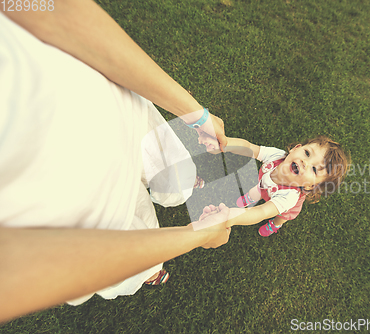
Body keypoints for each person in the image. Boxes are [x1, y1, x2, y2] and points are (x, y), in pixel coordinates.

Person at [0, 0, 230, 323]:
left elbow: (55, 11)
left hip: (118, 105)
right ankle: (149, 271)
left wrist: (195, 113)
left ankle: (185, 188)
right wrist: (200, 235)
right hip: (88, 219)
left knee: (176, 177)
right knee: (139, 236)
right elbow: (30, 271)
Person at [198, 134, 350, 235]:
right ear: (296, 149)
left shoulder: (289, 198)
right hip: (264, 186)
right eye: (307, 153)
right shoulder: (276, 156)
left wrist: (230, 216)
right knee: (258, 189)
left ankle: (275, 225)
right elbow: (250, 148)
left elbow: (261, 212)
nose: (306, 162)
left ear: (310, 186)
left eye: (314, 169)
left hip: (281, 206)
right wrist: (226, 143)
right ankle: (250, 198)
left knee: (281, 216)